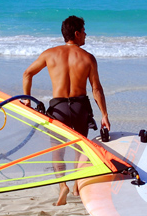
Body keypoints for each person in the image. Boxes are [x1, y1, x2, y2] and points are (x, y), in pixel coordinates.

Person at [22, 15, 111, 206]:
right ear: (77, 34)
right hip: (80, 107)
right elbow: (96, 89)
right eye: (84, 31)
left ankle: (63, 185)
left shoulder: (49, 54)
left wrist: (27, 100)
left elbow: (27, 73)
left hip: (58, 108)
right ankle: (78, 183)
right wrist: (104, 114)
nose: (86, 35)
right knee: (80, 148)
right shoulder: (88, 58)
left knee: (58, 151)